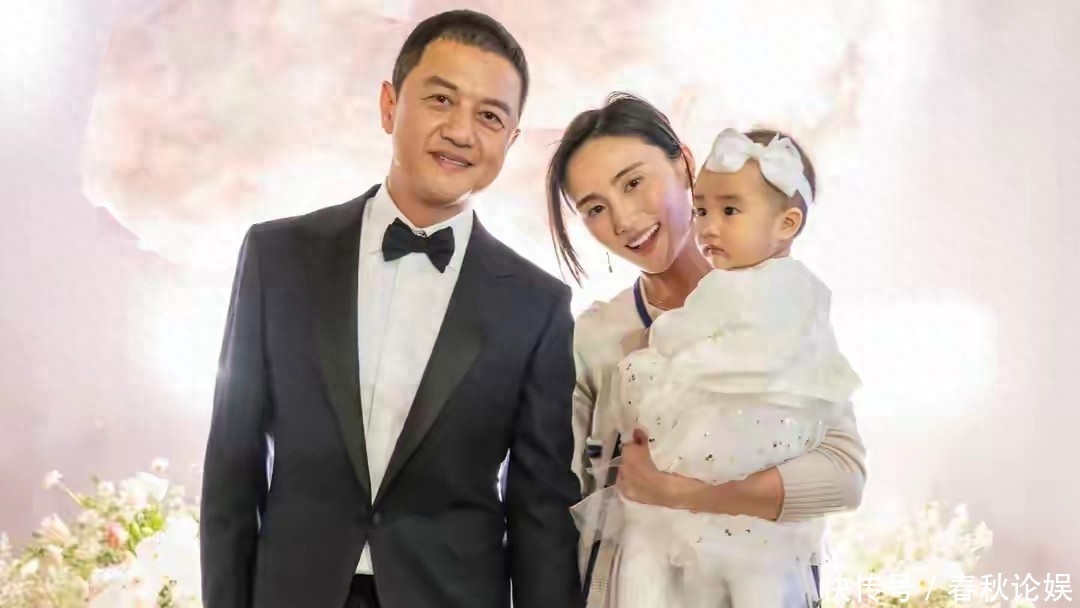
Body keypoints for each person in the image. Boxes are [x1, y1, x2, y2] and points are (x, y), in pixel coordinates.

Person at [201, 10, 584, 608]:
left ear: (510, 142)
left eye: (489, 116)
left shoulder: (537, 305)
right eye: (441, 99)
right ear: (389, 106)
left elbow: (540, 514)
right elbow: (232, 469)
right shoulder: (278, 257)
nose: (461, 131)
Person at [546, 93, 867, 607]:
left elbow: (844, 477)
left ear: (684, 164)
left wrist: (683, 494)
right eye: (595, 209)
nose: (624, 220)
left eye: (633, 183)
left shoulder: (781, 309)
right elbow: (557, 501)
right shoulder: (595, 337)